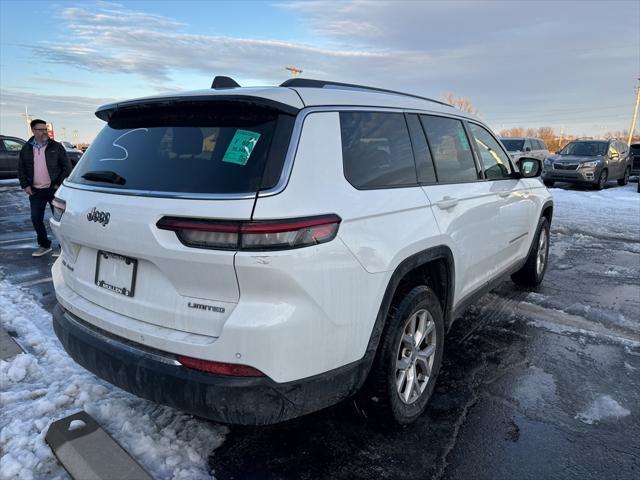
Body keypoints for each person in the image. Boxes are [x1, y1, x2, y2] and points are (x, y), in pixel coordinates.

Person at [18, 119, 72, 257]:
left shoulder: (56, 146)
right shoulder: (26, 148)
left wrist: (58, 184)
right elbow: (21, 168)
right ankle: (44, 245)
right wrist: (25, 185)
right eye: (40, 129)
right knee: (36, 218)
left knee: (60, 220)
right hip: (35, 191)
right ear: (33, 131)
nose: (44, 132)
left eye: (45, 129)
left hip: (54, 190)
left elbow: (67, 166)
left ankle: (63, 247)